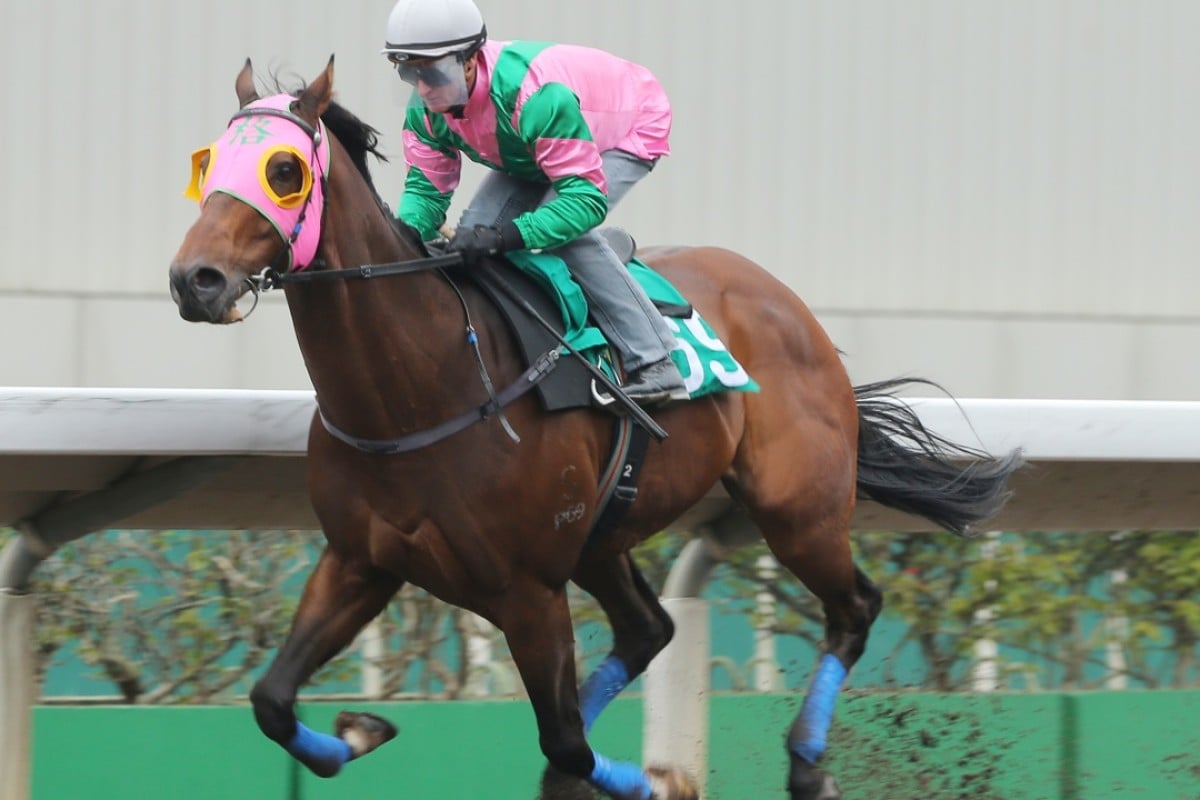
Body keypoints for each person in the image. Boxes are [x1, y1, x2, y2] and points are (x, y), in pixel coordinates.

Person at [382, 0, 689, 405]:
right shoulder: (425, 110)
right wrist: (400, 246)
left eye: (433, 72)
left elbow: (583, 203)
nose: (422, 88)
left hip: (628, 125)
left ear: (470, 61)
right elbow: (425, 195)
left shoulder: (536, 97)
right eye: (410, 73)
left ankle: (656, 360)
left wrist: (505, 236)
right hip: (532, 144)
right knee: (473, 235)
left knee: (566, 236)